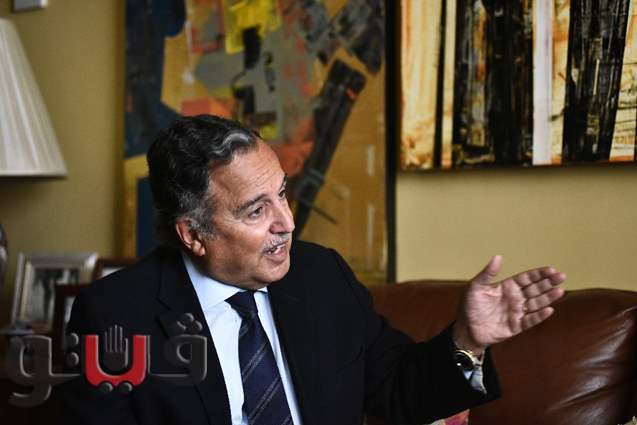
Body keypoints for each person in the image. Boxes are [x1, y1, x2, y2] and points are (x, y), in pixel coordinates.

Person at [62, 115, 566, 425]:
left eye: (282, 194)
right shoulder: (115, 316)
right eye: (256, 211)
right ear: (193, 234)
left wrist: (468, 338)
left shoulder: (321, 276)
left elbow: (400, 391)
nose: (286, 222)